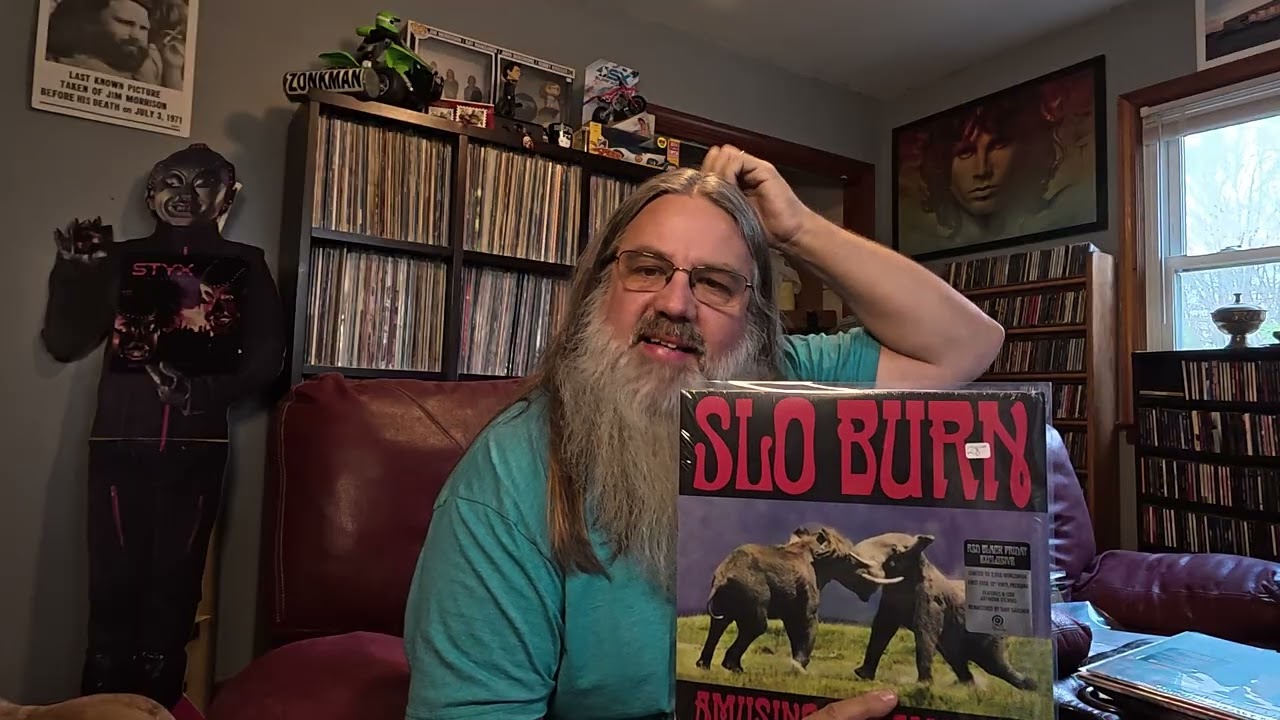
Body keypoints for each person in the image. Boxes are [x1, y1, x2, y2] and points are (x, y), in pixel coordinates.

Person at [401, 145, 1005, 719]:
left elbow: (970, 345)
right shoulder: (503, 483)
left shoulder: (780, 377)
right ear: (597, 290)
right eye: (647, 269)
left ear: (754, 321)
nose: (676, 304)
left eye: (715, 283)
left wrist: (797, 230)